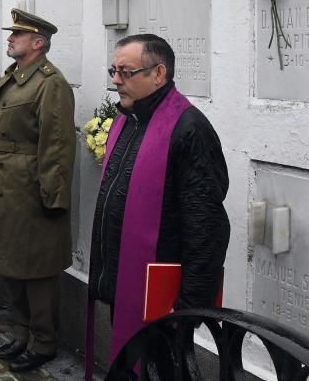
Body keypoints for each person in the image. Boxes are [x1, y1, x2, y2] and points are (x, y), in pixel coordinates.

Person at [87, 34, 230, 370]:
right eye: (113, 70)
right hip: (123, 282)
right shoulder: (128, 119)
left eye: (125, 71)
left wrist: (190, 307)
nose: (115, 80)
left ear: (159, 74)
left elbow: (206, 226)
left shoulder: (189, 129)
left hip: (163, 302)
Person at [0, 9, 76, 373]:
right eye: (12, 35)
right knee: (7, 267)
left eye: (17, 35)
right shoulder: (13, 77)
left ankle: (43, 341)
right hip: (2, 187)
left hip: (29, 190)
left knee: (36, 272)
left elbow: (57, 145)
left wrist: (53, 197)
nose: (9, 39)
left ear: (38, 43)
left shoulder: (51, 83)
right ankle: (20, 333)